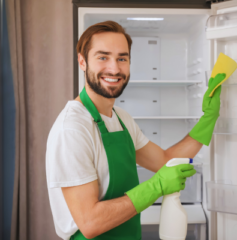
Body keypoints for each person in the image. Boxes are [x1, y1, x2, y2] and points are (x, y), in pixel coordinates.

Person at [46, 20, 225, 240]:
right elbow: (90, 222)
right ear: (82, 62)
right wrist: (156, 186)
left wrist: (208, 119)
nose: (114, 68)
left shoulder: (122, 119)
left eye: (122, 58)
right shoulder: (72, 129)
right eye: (103, 57)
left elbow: (165, 160)